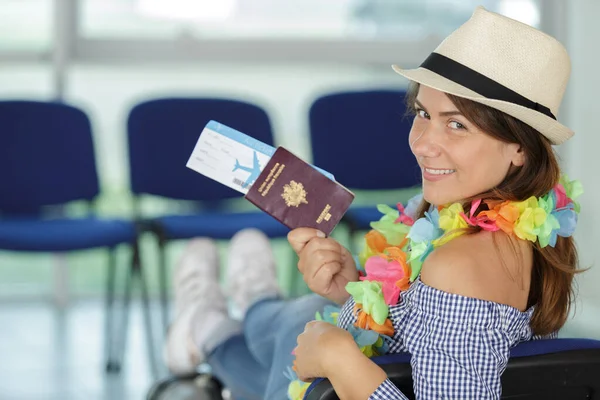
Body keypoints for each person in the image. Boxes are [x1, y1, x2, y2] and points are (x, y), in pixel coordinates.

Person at [164, 6, 583, 399]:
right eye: (423, 114)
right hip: (352, 352)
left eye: (457, 124)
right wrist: (351, 288)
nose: (422, 144)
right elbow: (419, 328)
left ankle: (214, 320)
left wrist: (338, 357)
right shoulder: (508, 221)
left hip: (335, 376)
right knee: (306, 312)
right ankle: (238, 307)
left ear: (519, 148)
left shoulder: (463, 267)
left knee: (296, 328)